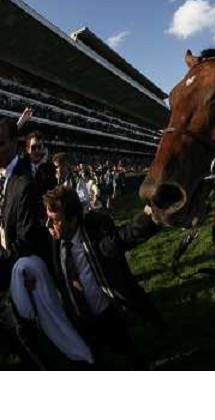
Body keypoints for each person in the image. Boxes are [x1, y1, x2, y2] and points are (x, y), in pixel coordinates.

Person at [0, 118, 92, 368]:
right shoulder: (11, 177)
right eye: (34, 147)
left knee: (44, 322)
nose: (38, 150)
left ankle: (83, 355)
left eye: (41, 147)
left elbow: (29, 235)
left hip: (40, 256)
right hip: (26, 258)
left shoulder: (29, 181)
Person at [43, 185, 161, 369]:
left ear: (73, 219)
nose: (48, 225)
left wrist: (150, 214)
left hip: (109, 314)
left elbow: (125, 237)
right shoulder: (55, 242)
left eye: (54, 220)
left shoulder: (95, 233)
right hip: (81, 320)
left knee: (129, 355)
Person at [23, 131, 57, 196]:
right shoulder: (19, 167)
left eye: (39, 147)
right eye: (33, 147)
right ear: (27, 149)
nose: (37, 151)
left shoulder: (50, 169)